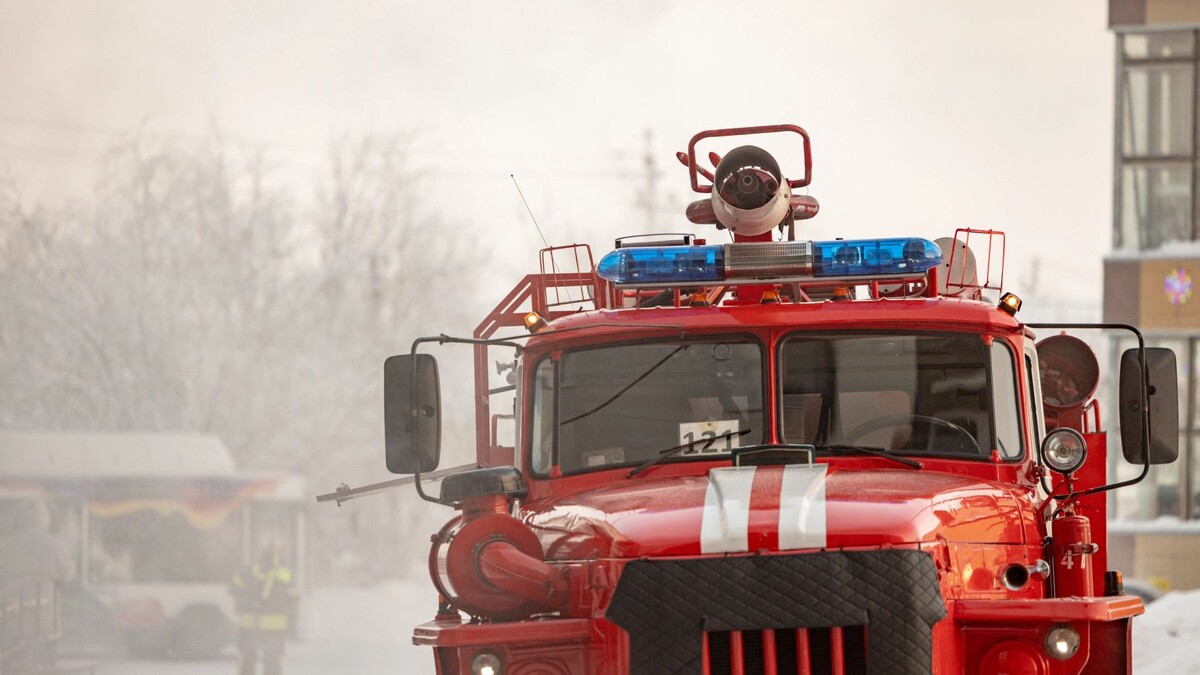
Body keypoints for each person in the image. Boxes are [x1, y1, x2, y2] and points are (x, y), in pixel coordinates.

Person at [230, 540, 298, 675]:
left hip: (251, 623)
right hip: (273, 626)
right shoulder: (286, 571)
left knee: (248, 661)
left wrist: (249, 599)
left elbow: (235, 587)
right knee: (271, 662)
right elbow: (294, 598)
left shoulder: (253, 568)